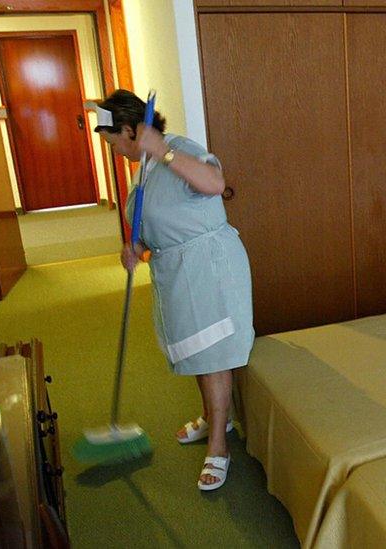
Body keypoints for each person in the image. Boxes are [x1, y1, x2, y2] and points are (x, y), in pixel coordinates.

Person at [94, 90, 254, 491]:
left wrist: (162, 150)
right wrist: (136, 248)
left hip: (210, 270)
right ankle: (215, 417)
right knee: (198, 354)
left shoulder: (176, 150)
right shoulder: (142, 168)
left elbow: (214, 183)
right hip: (178, 272)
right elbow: (153, 228)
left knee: (213, 356)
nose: (113, 151)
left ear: (130, 131)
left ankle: (219, 447)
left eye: (113, 142)